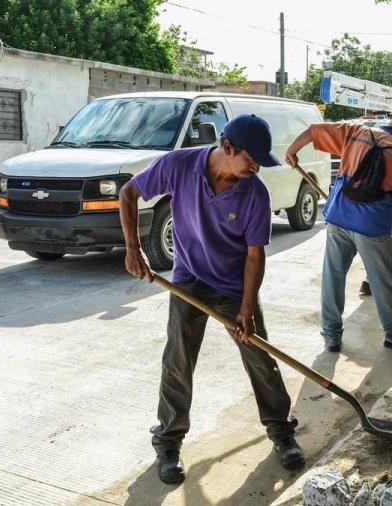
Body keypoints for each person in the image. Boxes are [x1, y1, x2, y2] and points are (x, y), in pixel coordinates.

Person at [119, 114, 305, 484]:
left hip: (236, 287)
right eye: (251, 159)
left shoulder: (255, 192)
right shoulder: (179, 166)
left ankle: (281, 432)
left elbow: (255, 255)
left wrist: (247, 309)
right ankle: (168, 442)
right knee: (178, 360)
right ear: (228, 147)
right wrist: (133, 248)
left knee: (259, 357)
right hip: (188, 281)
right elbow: (129, 193)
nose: (255, 168)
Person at [284, 118, 392, 352]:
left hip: (339, 217)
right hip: (373, 225)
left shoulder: (357, 132)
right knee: (382, 280)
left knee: (333, 276)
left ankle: (332, 336)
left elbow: (314, 131)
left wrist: (292, 151)